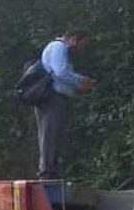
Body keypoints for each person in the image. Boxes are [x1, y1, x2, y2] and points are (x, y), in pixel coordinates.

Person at [35, 29, 96, 180]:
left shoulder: (60, 49)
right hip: (53, 97)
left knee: (55, 134)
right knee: (50, 134)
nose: (82, 49)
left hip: (58, 96)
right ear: (74, 39)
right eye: (82, 44)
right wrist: (81, 80)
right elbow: (61, 72)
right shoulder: (59, 47)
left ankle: (51, 170)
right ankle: (47, 172)